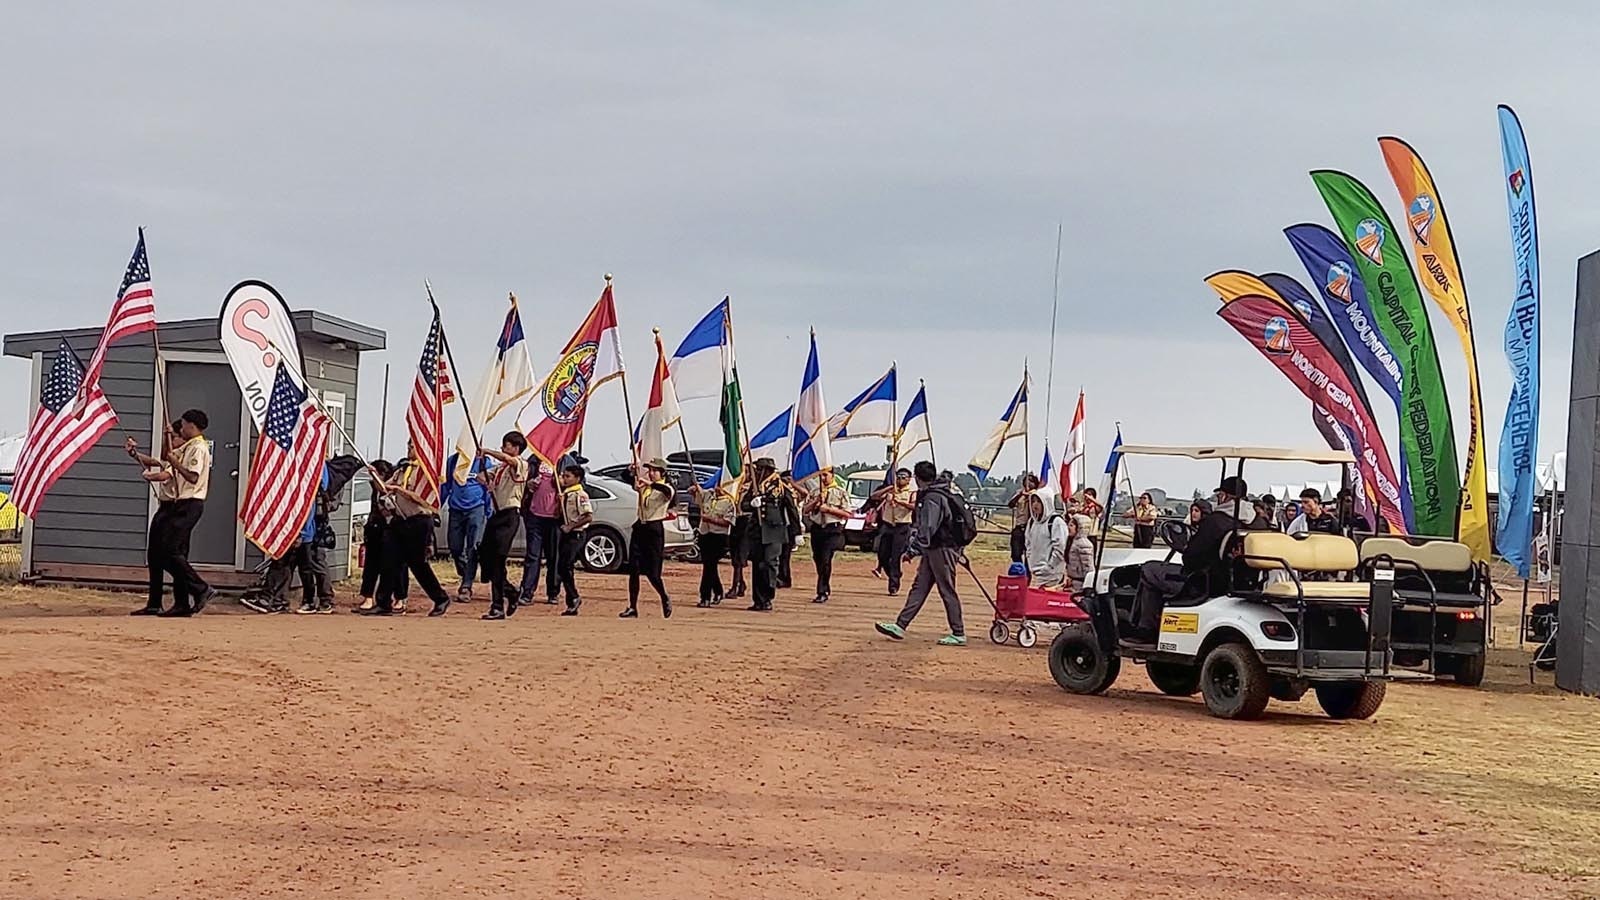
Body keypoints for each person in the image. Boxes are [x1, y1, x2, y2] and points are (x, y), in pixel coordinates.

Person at [1129, 477, 1254, 642]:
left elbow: (1191, 558)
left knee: (1150, 570)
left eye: (1219, 495)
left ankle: (1147, 629)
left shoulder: (1215, 521)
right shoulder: (1258, 521)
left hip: (1207, 582)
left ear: (1224, 496)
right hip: (1245, 581)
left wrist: (1188, 550)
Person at [125, 409, 215, 617]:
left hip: (188, 503)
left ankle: (200, 588)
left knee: (172, 552)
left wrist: (169, 466)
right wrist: (135, 454)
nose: (180, 430)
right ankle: (165, 603)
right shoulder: (186, 447)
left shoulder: (198, 448)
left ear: (191, 425)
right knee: (158, 554)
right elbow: (160, 460)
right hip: (175, 504)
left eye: (182, 426)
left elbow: (191, 476)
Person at [874, 461, 966, 646]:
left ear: (916, 478)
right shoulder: (939, 493)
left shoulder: (933, 497)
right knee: (919, 587)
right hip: (934, 549)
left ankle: (958, 632)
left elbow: (928, 527)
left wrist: (914, 549)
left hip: (942, 548)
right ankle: (901, 625)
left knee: (946, 589)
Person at [366, 442, 451, 617]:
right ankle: (383, 603)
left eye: (413, 447)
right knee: (388, 559)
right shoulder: (402, 470)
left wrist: (399, 490)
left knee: (418, 564)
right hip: (399, 521)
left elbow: (423, 499)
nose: (409, 450)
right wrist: (374, 476)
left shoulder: (427, 473)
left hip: (419, 520)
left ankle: (440, 598)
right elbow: (383, 488)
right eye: (408, 446)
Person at [477, 432, 530, 620]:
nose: (503, 448)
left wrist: (487, 452)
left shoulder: (521, 465)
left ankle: (497, 605)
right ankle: (510, 590)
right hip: (496, 516)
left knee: (498, 559)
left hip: (509, 515)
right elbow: (480, 476)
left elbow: (510, 460)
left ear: (515, 448)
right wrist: (487, 480)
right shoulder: (500, 469)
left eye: (506, 445)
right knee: (485, 557)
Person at [623, 457, 674, 619]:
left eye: (654, 471)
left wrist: (649, 483)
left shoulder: (666, 487)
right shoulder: (645, 487)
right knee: (634, 569)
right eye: (649, 470)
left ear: (662, 473)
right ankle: (632, 607)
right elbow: (625, 478)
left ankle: (664, 597)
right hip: (640, 527)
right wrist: (630, 471)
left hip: (654, 530)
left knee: (653, 573)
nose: (651, 473)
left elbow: (667, 493)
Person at [354, 460, 408, 614]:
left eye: (378, 474)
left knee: (396, 567)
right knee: (371, 565)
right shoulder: (374, 488)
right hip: (375, 528)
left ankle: (399, 598)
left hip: (394, 528)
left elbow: (389, 496)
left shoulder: (396, 486)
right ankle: (368, 597)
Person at [742, 458, 795, 612]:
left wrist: (796, 533)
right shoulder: (754, 487)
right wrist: (752, 503)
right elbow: (743, 505)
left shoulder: (781, 487)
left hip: (774, 531)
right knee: (757, 566)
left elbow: (791, 510)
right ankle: (758, 600)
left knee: (769, 564)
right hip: (757, 531)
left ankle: (768, 596)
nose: (756, 472)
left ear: (767, 470)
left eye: (759, 469)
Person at [440, 449, 492, 603]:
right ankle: (466, 573)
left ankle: (466, 585)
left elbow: (488, 487)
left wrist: (489, 511)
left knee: (473, 548)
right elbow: (446, 485)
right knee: (455, 548)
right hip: (456, 509)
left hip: (476, 508)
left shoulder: (484, 462)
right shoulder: (453, 461)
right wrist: (436, 505)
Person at [519, 457, 563, 606]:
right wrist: (528, 484)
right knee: (532, 555)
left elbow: (577, 482)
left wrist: (562, 485)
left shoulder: (565, 460)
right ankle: (527, 592)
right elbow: (521, 479)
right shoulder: (533, 461)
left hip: (555, 518)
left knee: (554, 557)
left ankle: (553, 592)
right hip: (534, 516)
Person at [294, 464, 336, 614]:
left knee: (315, 565)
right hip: (305, 530)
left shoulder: (318, 468)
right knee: (305, 568)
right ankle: (309, 600)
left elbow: (309, 507)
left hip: (312, 530)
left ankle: (324, 600)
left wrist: (302, 533)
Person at [804, 474, 851, 603]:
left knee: (825, 559)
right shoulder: (815, 492)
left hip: (832, 529)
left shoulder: (840, 492)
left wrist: (829, 509)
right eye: (820, 476)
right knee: (818, 559)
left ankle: (822, 591)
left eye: (825, 475)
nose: (823, 478)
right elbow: (805, 510)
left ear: (832, 475)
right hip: (817, 528)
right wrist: (816, 502)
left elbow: (847, 513)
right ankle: (825, 584)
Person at [870, 468, 916, 595]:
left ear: (909, 479)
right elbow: (874, 496)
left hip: (902, 526)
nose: (900, 479)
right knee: (883, 555)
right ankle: (893, 574)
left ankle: (893, 585)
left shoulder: (912, 492)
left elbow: (914, 506)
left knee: (895, 556)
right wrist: (888, 489)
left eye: (903, 477)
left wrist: (900, 502)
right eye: (898, 477)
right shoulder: (891, 491)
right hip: (888, 524)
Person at [691, 482, 736, 607]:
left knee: (709, 566)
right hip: (705, 534)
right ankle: (718, 590)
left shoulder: (729, 502)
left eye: (720, 485)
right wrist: (695, 489)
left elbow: (727, 522)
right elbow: (695, 495)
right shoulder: (708, 496)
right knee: (709, 565)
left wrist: (711, 519)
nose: (717, 488)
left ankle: (705, 596)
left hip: (719, 537)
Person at [555, 464, 593, 614]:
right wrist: (559, 502)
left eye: (568, 476)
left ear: (577, 479)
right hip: (566, 534)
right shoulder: (566, 494)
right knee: (562, 567)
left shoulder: (580, 495)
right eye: (564, 476)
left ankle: (574, 597)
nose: (564, 479)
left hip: (576, 534)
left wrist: (571, 526)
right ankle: (572, 600)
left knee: (565, 566)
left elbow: (588, 516)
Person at [1023, 490, 1068, 588]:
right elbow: (1028, 544)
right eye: (1033, 501)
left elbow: (1060, 548)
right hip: (1035, 574)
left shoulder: (1056, 522)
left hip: (1052, 575)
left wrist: (1049, 567)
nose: (1035, 505)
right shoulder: (1032, 522)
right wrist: (1030, 561)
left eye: (1038, 501)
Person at [1006, 473, 1042, 563]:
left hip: (1031, 527)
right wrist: (1020, 495)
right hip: (1019, 526)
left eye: (1031, 481)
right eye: (1026, 481)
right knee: (1016, 553)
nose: (1028, 483)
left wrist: (1029, 496)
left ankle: (1027, 572)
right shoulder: (1019, 493)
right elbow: (1011, 504)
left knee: (1029, 554)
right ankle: (1019, 570)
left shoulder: (1037, 495)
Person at [777, 470, 803, 589]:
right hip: (782, 526)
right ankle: (781, 577)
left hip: (790, 527)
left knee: (784, 555)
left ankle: (785, 578)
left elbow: (793, 512)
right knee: (780, 554)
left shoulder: (790, 492)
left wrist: (797, 532)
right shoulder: (781, 491)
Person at [1066, 514, 1095, 589]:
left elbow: (1088, 567)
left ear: (1080, 527)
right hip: (1073, 582)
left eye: (1071, 525)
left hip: (1081, 584)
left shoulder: (1084, 544)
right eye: (1068, 525)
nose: (1068, 528)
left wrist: (1089, 585)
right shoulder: (1072, 542)